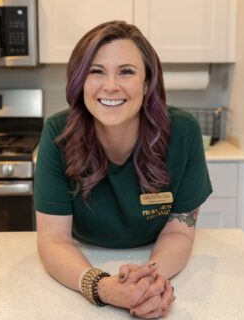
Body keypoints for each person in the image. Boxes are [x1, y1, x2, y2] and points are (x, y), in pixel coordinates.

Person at [34, 20, 212, 318]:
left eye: (126, 71)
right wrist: (104, 287)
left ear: (146, 83)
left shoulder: (183, 133)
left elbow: (179, 233)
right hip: (83, 256)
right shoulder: (57, 134)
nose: (111, 86)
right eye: (96, 71)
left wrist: (149, 281)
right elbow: (54, 241)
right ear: (80, 81)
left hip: (157, 255)